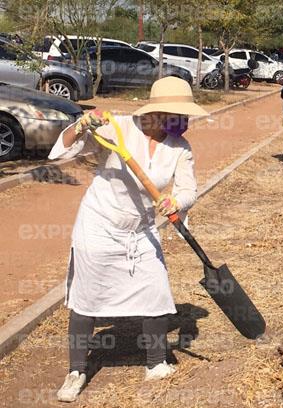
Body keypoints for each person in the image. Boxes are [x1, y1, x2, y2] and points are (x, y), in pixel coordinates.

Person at [50, 77, 208, 403]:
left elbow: (188, 189)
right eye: (177, 114)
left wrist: (176, 202)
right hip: (99, 224)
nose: (184, 121)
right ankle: (76, 371)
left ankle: (155, 363)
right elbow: (62, 149)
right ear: (158, 111)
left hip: (141, 229)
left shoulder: (179, 147)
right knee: (86, 296)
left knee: (155, 289)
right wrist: (81, 125)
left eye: (185, 115)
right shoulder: (117, 128)